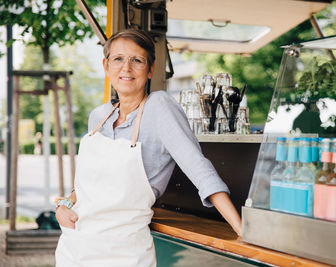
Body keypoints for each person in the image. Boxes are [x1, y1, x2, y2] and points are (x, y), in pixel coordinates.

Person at [54, 28, 242, 266]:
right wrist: (65, 205)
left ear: (151, 69)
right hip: (76, 250)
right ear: (106, 65)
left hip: (124, 254)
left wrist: (241, 230)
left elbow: (200, 170)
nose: (126, 68)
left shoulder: (160, 107)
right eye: (118, 59)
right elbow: (86, 187)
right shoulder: (98, 116)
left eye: (137, 60)